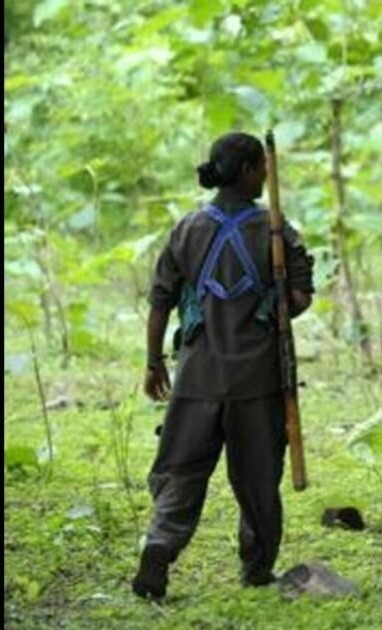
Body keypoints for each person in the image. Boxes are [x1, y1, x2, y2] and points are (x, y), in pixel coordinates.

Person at [132, 132, 315, 600]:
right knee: (257, 480)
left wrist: (154, 361)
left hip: (196, 377)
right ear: (251, 170)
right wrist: (276, 298)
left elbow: (159, 302)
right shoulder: (274, 230)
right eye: (263, 168)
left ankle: (160, 543)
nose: (267, 176)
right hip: (256, 380)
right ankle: (256, 569)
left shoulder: (186, 229)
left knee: (181, 471)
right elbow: (298, 298)